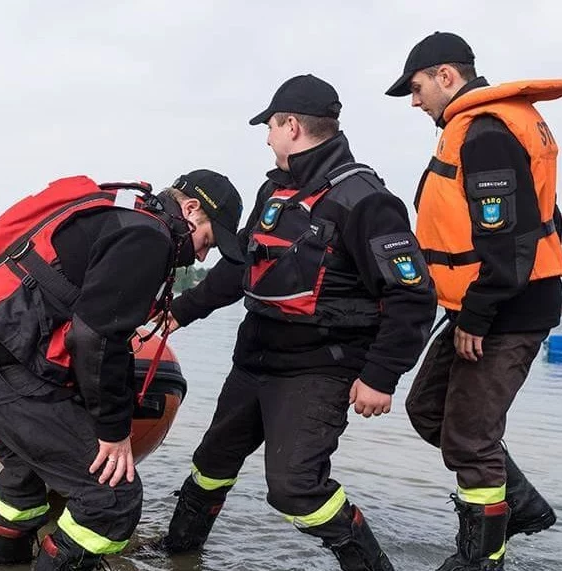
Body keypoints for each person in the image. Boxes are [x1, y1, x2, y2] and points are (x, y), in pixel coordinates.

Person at [154, 75, 437, 571]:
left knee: (295, 488)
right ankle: (177, 555)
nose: (265, 137)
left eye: (269, 126)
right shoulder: (274, 189)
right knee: (209, 467)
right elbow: (242, 264)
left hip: (319, 368)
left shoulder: (366, 200)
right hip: (254, 359)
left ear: (291, 126)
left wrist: (379, 376)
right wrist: (179, 312)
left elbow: (413, 296)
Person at [0, 172, 244, 570]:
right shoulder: (148, 238)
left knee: (24, 473)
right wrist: (113, 431)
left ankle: (6, 563)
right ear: (191, 210)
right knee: (114, 500)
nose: (204, 256)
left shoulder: (125, 212)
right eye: (208, 241)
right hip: (5, 367)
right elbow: (96, 337)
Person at [385, 32, 561, 570]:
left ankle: (483, 560)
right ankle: (522, 505)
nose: (414, 102)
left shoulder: (484, 132)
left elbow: (508, 243)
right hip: (484, 302)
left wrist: (479, 318)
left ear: (446, 76)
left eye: (416, 89)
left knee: (469, 438)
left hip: (507, 306)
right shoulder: (485, 126)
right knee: (426, 410)